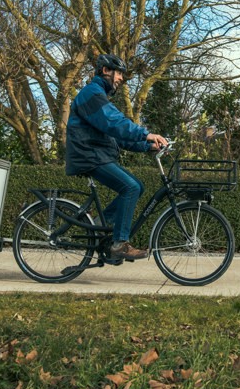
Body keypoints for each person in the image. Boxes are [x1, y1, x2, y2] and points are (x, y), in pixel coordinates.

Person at [64, 54, 168, 261]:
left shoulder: (99, 95)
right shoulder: (91, 94)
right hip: (89, 155)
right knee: (130, 187)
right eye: (119, 73)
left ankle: (96, 226)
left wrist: (147, 145)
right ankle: (119, 243)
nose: (121, 78)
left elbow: (116, 137)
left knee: (136, 186)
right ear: (105, 71)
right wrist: (145, 133)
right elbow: (115, 123)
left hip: (96, 154)